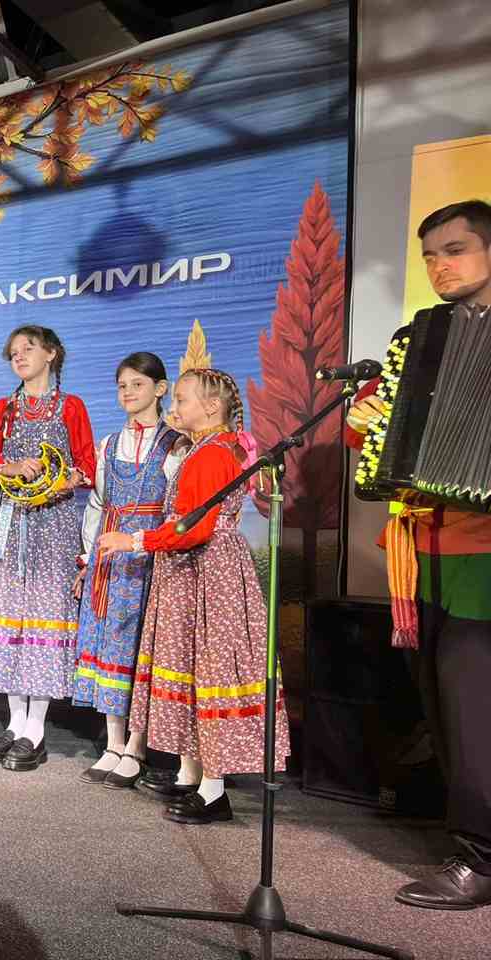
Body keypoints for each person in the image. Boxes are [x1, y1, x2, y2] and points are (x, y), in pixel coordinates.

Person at [346, 199, 491, 909]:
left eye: (455, 249)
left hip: (483, 552)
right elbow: (375, 436)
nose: (440, 265)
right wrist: (366, 423)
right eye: (430, 254)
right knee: (444, 704)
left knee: (473, 704)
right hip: (422, 547)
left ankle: (481, 857)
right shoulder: (422, 339)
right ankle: (471, 837)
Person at [98, 368, 288, 824]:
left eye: (182, 399)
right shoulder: (207, 449)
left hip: (206, 571)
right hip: (194, 571)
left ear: (212, 407)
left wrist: (134, 540)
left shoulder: (212, 453)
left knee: (210, 669)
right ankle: (193, 776)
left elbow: (193, 529)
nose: (175, 407)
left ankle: (213, 790)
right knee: (192, 667)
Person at [0, 325, 96, 772]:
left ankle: (35, 729)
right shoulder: (3, 409)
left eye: (28, 349)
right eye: (13, 352)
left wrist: (63, 481)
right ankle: (14, 721)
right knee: (9, 613)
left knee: (42, 615)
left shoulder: (70, 407)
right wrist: (12, 466)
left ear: (51, 354)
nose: (19, 357)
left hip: (52, 522)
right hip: (9, 519)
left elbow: (87, 464)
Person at [73, 352, 182, 787]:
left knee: (140, 649)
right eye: (122, 386)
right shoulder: (108, 444)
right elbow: (98, 504)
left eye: (137, 384)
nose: (128, 392)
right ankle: (113, 742)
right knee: (109, 646)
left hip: (150, 557)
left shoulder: (174, 445)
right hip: (111, 556)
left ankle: (137, 746)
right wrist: (88, 558)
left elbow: (177, 508)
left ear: (160, 389)